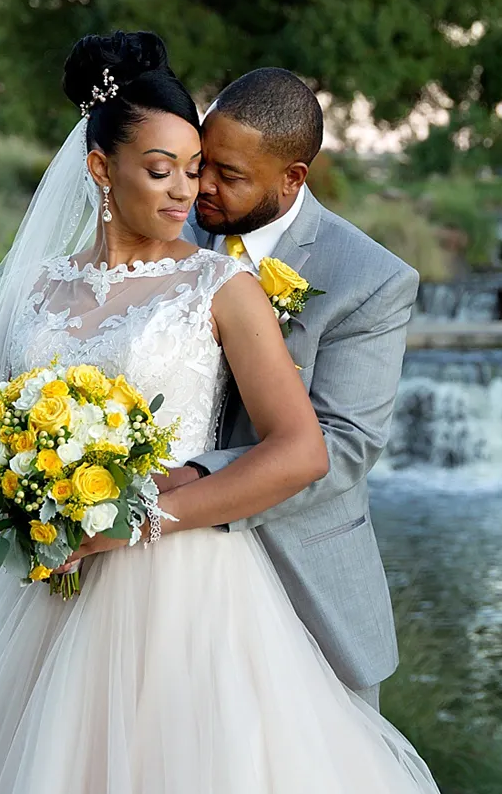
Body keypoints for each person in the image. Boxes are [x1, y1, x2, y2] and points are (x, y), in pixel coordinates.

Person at [0, 31, 464, 794]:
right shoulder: (44, 282)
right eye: (182, 167)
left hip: (240, 585)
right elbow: (3, 420)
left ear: (290, 178)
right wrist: (26, 487)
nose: (197, 193)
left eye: (214, 174)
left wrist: (145, 500)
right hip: (57, 591)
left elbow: (331, 449)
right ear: (100, 169)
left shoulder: (341, 279)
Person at [174, 67, 419, 710]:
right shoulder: (167, 231)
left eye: (229, 176)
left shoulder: (370, 279)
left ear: (292, 179)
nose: (202, 187)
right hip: (159, 581)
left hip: (303, 580)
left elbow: (344, 446)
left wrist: (192, 479)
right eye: (203, 162)